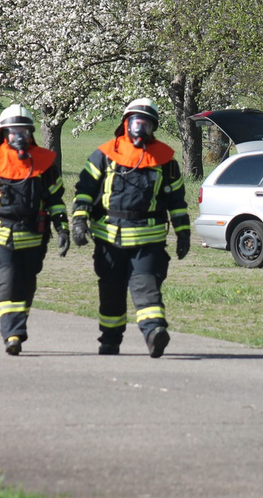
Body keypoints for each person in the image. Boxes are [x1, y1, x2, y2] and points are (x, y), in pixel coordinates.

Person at [70, 98, 190, 358]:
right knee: (111, 292)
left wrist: (183, 232)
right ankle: (110, 341)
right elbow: (84, 191)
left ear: (153, 127)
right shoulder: (104, 154)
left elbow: (177, 201)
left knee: (146, 286)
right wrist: (79, 220)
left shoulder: (165, 160)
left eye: (145, 123)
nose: (140, 127)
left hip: (148, 240)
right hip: (109, 239)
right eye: (136, 121)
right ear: (126, 123)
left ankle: (154, 332)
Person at [0, 104, 70, 355]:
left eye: (23, 130)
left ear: (30, 132)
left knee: (26, 287)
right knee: (8, 283)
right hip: (0, 235)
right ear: (4, 133)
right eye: (13, 131)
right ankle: (12, 334)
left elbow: (54, 200)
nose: (18, 136)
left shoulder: (44, 162)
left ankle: (17, 326)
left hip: (33, 237)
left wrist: (63, 228)